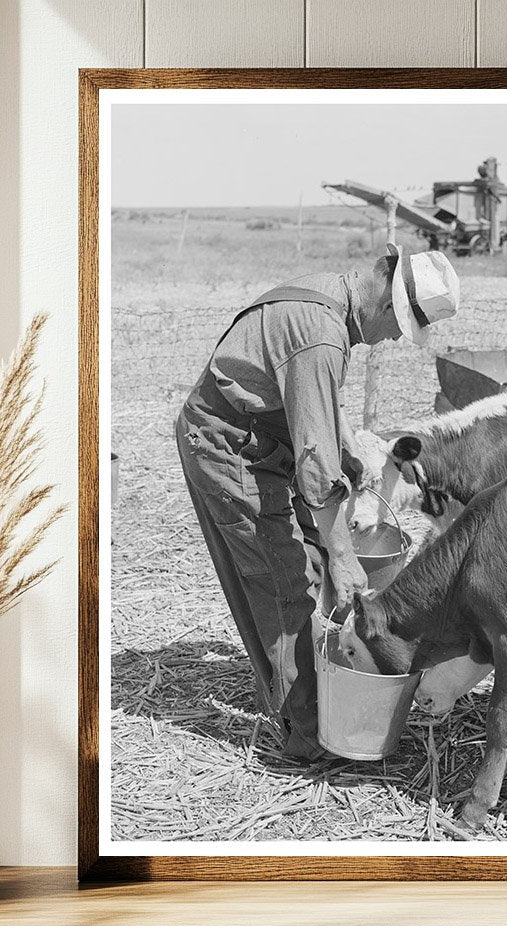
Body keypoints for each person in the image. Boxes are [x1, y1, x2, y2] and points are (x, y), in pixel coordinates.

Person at [176, 244, 460, 758]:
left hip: (260, 434)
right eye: (397, 322)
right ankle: (310, 739)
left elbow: (317, 401)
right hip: (228, 442)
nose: (394, 335)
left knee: (305, 558)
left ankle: (308, 696)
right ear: (382, 297)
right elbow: (315, 463)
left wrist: (348, 445)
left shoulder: (329, 295)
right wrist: (344, 555)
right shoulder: (321, 336)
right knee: (287, 580)